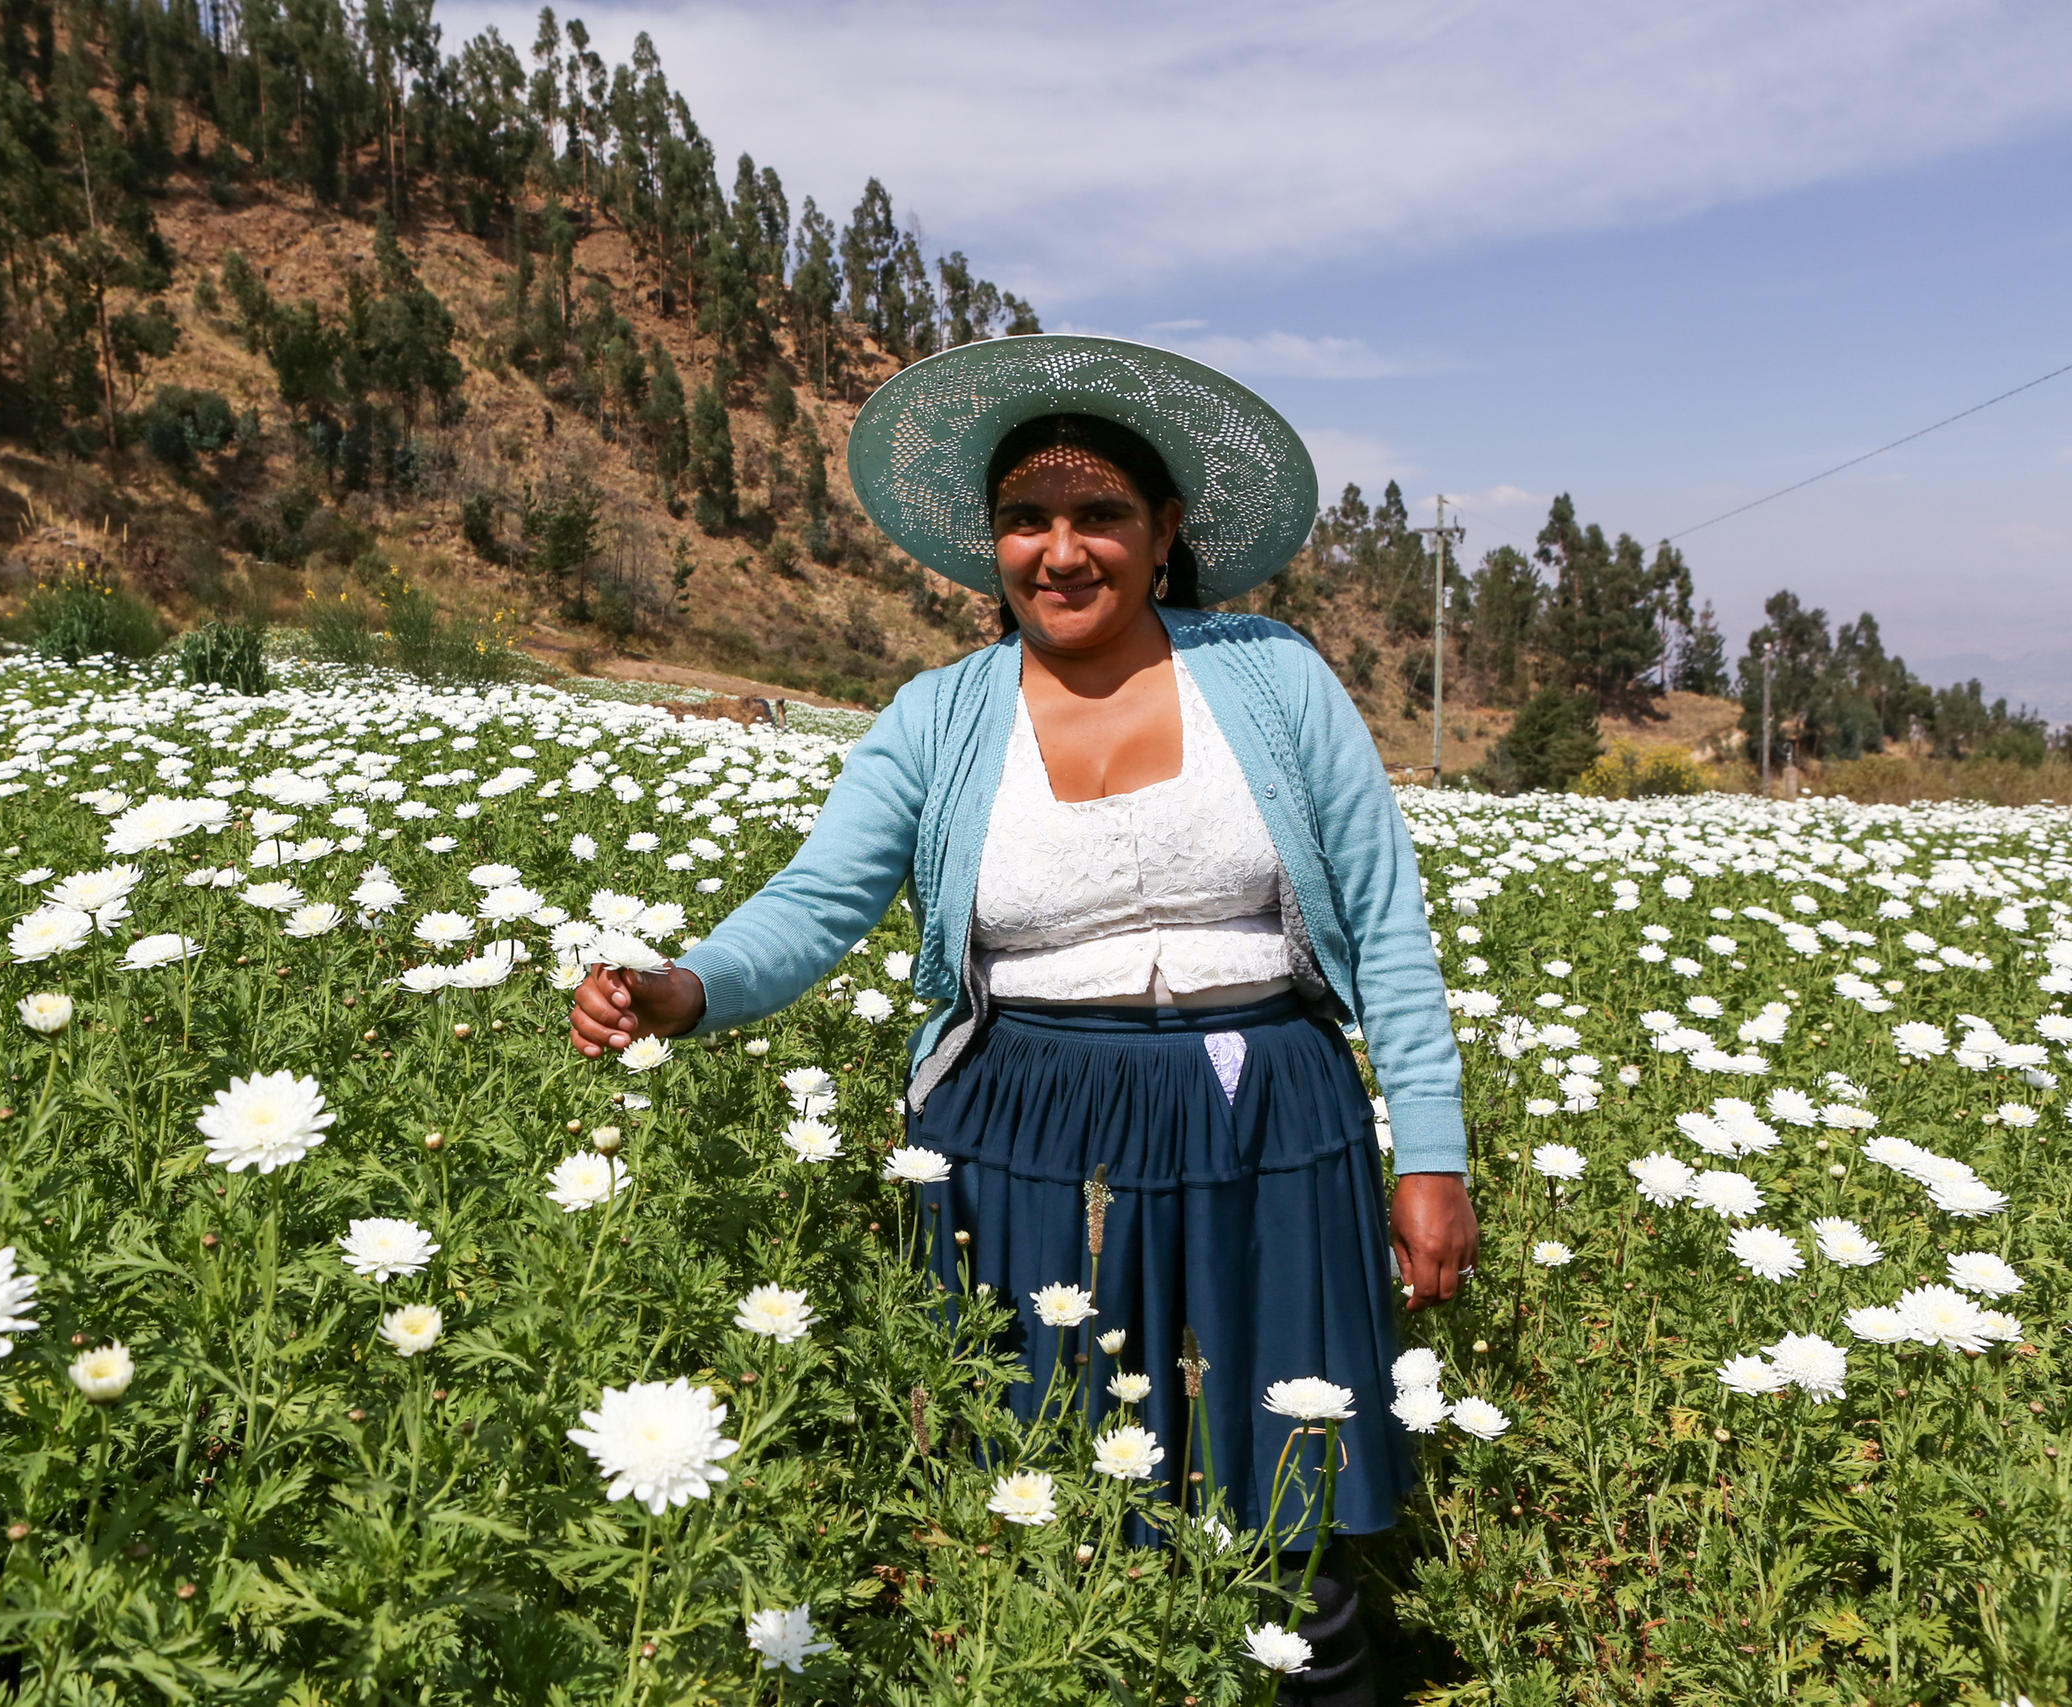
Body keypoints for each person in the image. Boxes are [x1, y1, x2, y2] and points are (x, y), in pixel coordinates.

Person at [567, 334, 1476, 1704]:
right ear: (992, 544)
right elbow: (818, 900)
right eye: (1027, 519)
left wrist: (1433, 1154)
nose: (1063, 549)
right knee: (1049, 1482)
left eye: (1100, 513)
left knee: (1292, 1499)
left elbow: (1388, 924)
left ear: (1166, 533)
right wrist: (684, 989)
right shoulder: (941, 716)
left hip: (1269, 1120)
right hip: (1030, 1132)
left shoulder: (1274, 679)